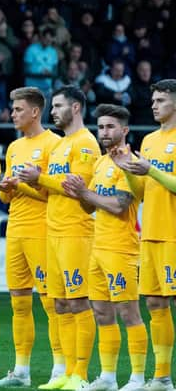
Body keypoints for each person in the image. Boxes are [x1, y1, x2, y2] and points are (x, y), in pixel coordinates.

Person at [18, 86, 100, 390]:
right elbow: (48, 189)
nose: (53, 111)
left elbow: (75, 188)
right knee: (61, 303)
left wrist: (38, 178)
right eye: (52, 106)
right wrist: (23, 184)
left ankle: (81, 373)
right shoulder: (59, 145)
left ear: (76, 108)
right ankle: (66, 371)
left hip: (75, 231)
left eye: (58, 106)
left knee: (79, 302)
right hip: (53, 230)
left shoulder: (86, 143)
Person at [62, 104, 147, 391]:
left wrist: (86, 193)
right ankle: (108, 378)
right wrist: (78, 193)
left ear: (124, 130)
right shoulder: (99, 163)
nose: (104, 132)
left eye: (111, 127)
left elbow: (119, 205)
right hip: (97, 248)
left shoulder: (131, 162)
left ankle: (137, 378)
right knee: (101, 313)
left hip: (121, 249)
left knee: (129, 313)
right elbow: (90, 208)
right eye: (101, 127)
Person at [0, 87, 62, 387]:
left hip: (42, 231)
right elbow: (8, 201)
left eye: (18, 109)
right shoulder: (15, 147)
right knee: (19, 303)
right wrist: (6, 189)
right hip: (15, 231)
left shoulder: (55, 144)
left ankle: (61, 367)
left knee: (50, 303)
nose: (12, 114)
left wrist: (23, 186)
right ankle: (21, 371)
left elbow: (54, 194)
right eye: (12, 108)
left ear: (35, 112)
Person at [110, 79, 176, 391]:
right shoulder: (148, 140)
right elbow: (142, 193)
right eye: (153, 100)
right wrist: (126, 168)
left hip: (174, 235)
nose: (154, 105)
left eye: (161, 100)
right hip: (150, 233)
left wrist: (150, 170)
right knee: (154, 303)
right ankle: (162, 377)